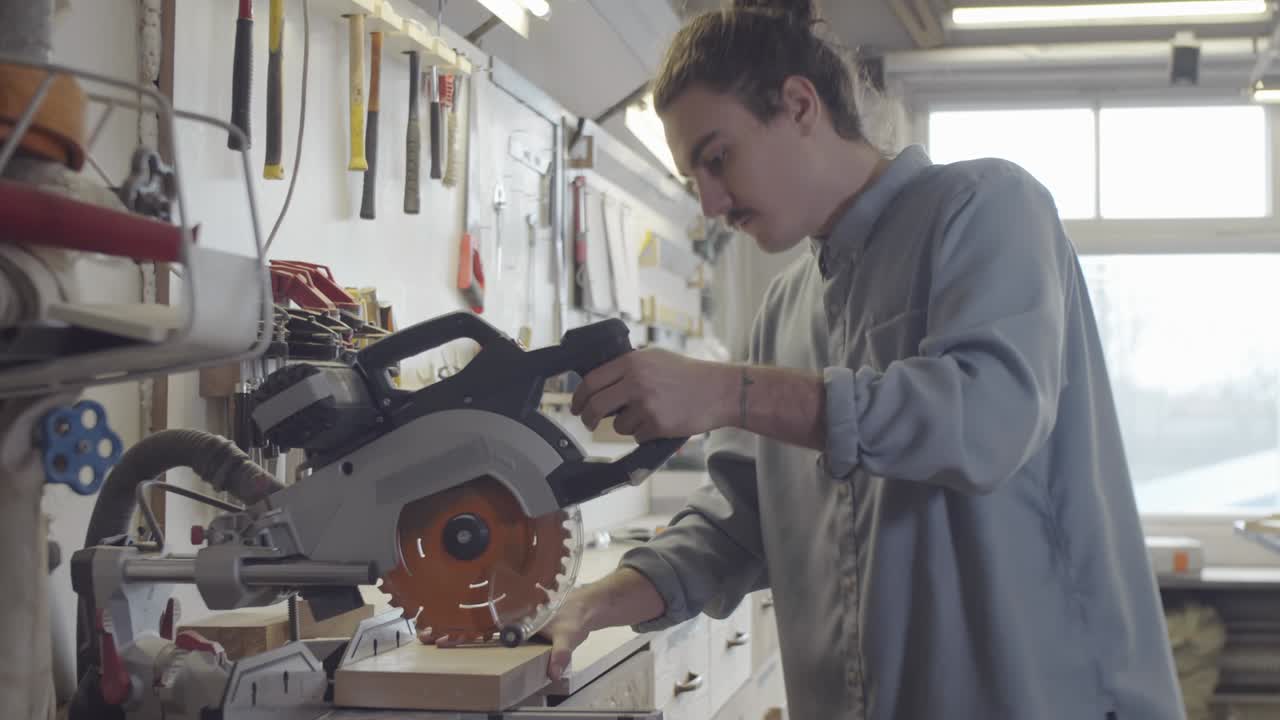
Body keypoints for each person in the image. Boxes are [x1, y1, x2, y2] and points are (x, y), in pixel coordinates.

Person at [499, 0, 1186, 717]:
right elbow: (743, 521)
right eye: (691, 179)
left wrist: (727, 393)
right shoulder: (784, 313)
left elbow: (985, 418)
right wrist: (592, 602)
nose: (708, 202)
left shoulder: (986, 207)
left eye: (716, 157)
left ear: (799, 105)